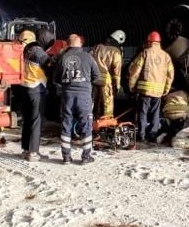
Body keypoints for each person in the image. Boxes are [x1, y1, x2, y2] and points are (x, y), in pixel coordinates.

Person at [53, 34, 101, 164]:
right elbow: (97, 77)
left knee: (66, 124)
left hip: (67, 96)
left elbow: (55, 79)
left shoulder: (62, 58)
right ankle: (86, 157)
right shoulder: (88, 57)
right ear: (80, 44)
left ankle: (66, 157)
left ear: (68, 44)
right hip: (84, 97)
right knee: (85, 124)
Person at [128, 31, 175, 143]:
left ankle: (142, 134)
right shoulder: (166, 56)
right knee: (155, 113)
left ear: (149, 41)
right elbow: (170, 74)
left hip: (145, 90)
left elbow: (135, 70)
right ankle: (153, 134)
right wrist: (166, 88)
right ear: (159, 42)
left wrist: (132, 86)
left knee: (143, 112)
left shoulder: (145, 53)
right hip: (158, 91)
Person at [17, 30, 50, 162]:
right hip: (36, 88)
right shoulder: (37, 50)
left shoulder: (21, 52)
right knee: (36, 121)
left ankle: (26, 149)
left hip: (24, 88)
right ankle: (33, 152)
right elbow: (49, 64)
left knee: (27, 121)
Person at [90, 30, 125, 118]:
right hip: (106, 82)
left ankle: (90, 120)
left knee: (93, 101)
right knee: (107, 104)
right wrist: (117, 85)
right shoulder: (116, 51)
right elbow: (116, 71)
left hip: (93, 80)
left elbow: (88, 59)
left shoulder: (97, 47)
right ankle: (105, 123)